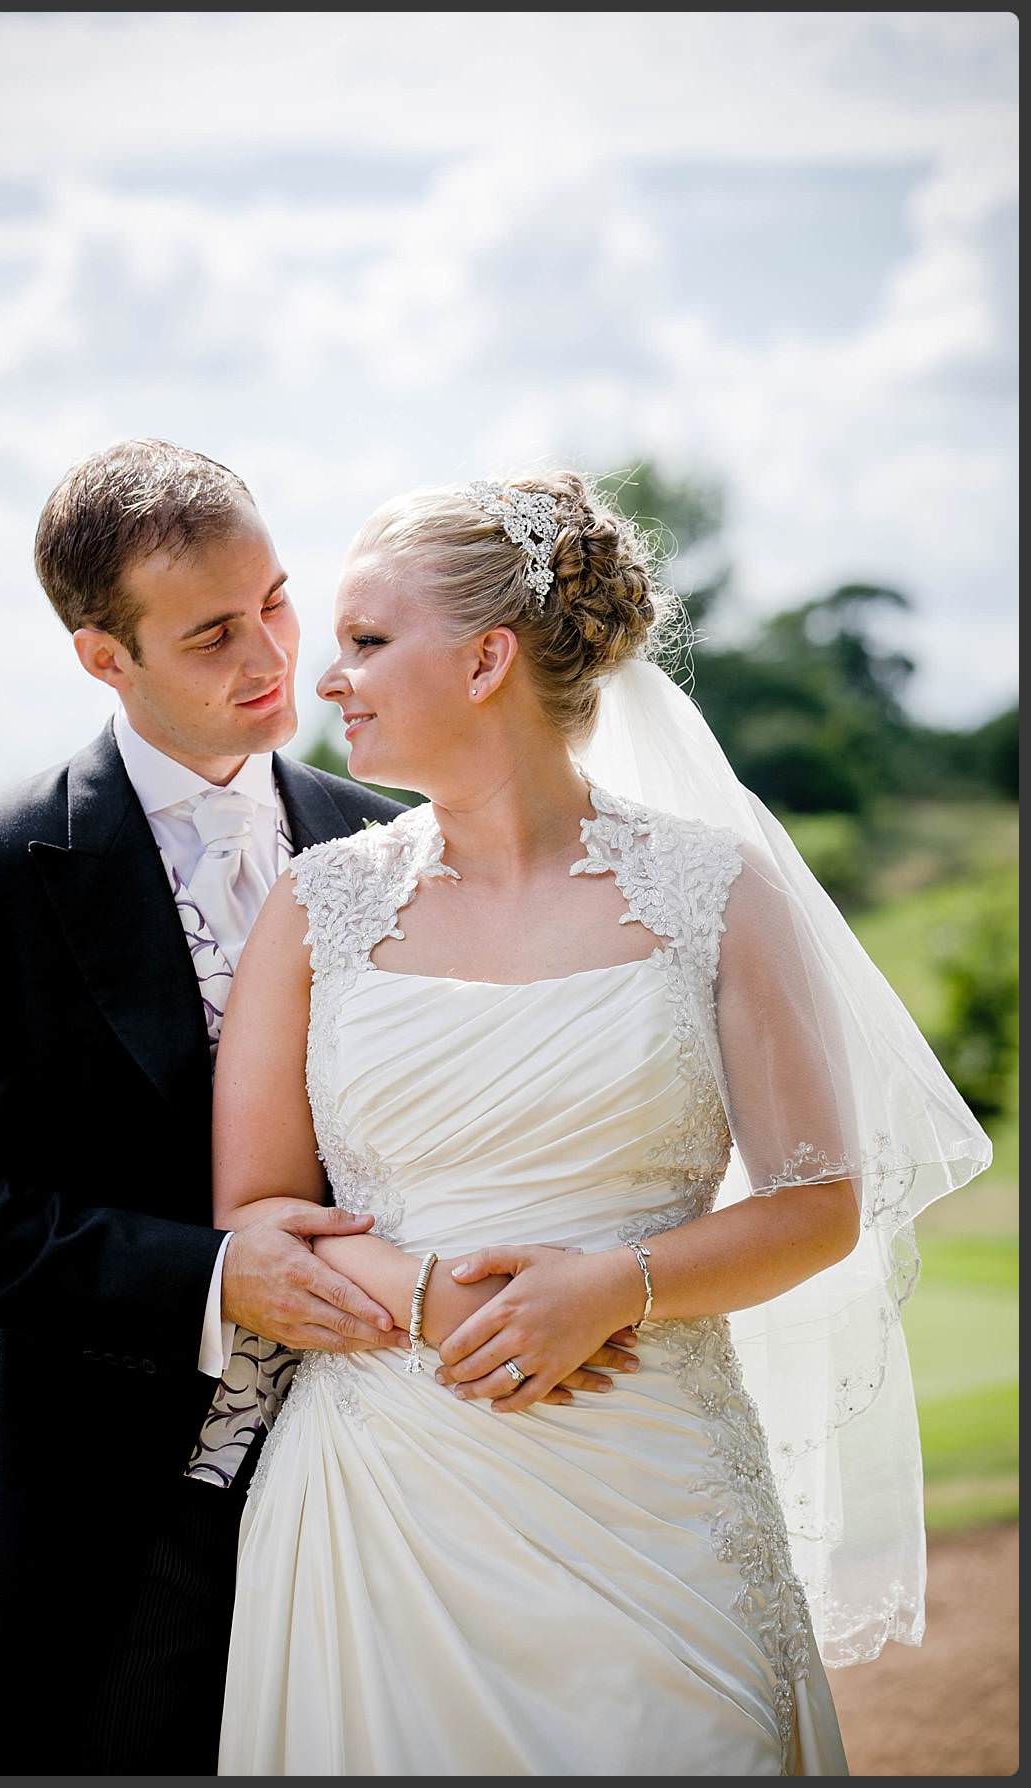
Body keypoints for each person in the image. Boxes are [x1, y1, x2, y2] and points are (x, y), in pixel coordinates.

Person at [0, 441, 637, 1773]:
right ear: (105, 658)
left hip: (397, 1479)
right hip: (114, 1513)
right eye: (214, 630)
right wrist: (213, 1281)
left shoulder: (392, 841)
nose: (274, 650)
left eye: (277, 600)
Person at [211, 472, 990, 1773]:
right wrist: (423, 1303)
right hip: (385, 1490)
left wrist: (615, 1287)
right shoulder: (316, 907)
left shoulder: (716, 892)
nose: (325, 679)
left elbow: (817, 1205)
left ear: (486, 659)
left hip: (654, 1484)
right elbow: (257, 1213)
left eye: (364, 641)